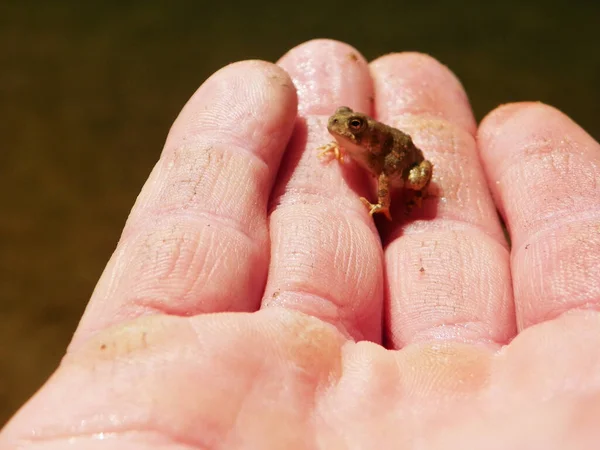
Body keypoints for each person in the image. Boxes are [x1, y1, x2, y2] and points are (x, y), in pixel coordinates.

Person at [2, 39, 599, 449]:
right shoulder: (352, 140)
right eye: (342, 126)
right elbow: (352, 142)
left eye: (352, 129)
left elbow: (398, 172)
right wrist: (343, 147)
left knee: (410, 180)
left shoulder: (383, 147)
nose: (342, 132)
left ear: (368, 132)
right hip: (385, 153)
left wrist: (388, 202)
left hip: (406, 164)